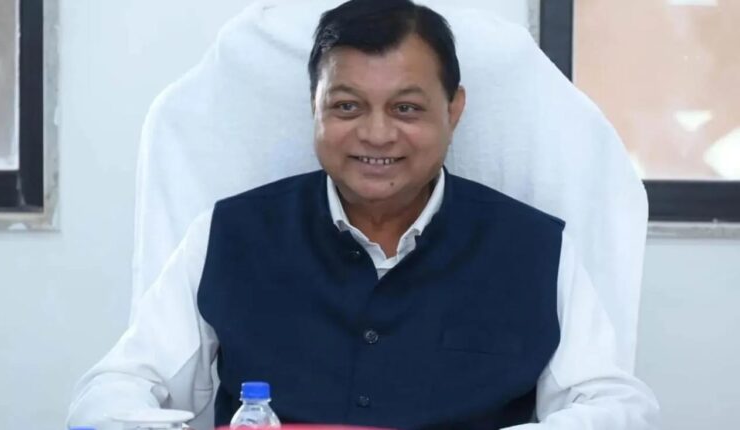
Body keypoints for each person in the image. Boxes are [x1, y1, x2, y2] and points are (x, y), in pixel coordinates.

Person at [68, 1, 660, 429]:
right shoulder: (229, 235)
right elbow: (112, 390)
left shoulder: (534, 249)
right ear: (314, 108)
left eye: (406, 108)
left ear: (454, 110)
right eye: (347, 106)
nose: (376, 135)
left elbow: (616, 406)